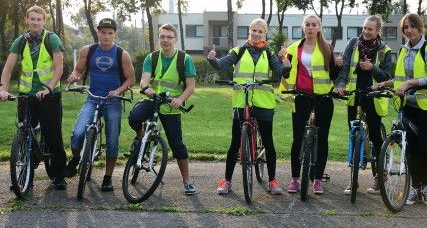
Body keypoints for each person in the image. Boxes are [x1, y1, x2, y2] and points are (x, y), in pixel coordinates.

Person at [208, 18, 291, 195]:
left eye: (260, 31)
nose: (256, 34)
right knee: (235, 143)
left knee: (268, 142)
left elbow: (280, 72)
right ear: (249, 31)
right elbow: (223, 64)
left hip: (264, 103)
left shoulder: (268, 53)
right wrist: (213, 60)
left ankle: (273, 181)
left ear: (264, 34)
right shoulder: (238, 51)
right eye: (254, 30)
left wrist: (286, 65)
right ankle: (227, 181)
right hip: (241, 102)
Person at [377, 13, 427, 206]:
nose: (408, 30)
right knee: (411, 150)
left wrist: (410, 83)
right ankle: (415, 187)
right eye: (405, 27)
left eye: (412, 26)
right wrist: (383, 84)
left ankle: (426, 187)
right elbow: (400, 79)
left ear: (419, 28)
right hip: (408, 106)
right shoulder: (404, 50)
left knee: (423, 147)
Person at [0, 6, 67, 189]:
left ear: (43, 21)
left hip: (49, 95)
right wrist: (3, 89)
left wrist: (49, 88)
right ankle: (25, 177)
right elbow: (8, 68)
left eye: (39, 19)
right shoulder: (20, 42)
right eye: (32, 19)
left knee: (52, 134)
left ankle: (59, 175)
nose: (35, 22)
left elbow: (59, 68)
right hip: (26, 95)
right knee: (24, 132)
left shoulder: (52, 39)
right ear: (27, 21)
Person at [64, 18, 135, 192]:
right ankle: (75, 159)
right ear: (98, 32)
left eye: (110, 33)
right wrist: (75, 76)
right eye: (103, 32)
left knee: (112, 138)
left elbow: (131, 79)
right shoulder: (88, 50)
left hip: (112, 100)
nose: (106, 36)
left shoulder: (121, 54)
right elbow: (79, 70)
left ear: (115, 34)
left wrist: (118, 91)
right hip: (93, 97)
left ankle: (107, 177)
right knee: (78, 132)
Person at [128, 23, 197, 195]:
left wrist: (180, 99)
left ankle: (187, 181)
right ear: (158, 38)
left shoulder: (185, 59)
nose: (165, 40)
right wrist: (146, 88)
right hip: (153, 100)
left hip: (170, 106)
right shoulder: (151, 58)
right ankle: (140, 137)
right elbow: (144, 80)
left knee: (177, 145)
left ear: (176, 39)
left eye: (169, 37)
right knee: (134, 117)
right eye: (162, 37)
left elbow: (190, 86)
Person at [279, 14, 341, 195]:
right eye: (308, 24)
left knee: (322, 140)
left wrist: (338, 65)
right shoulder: (293, 48)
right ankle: (295, 179)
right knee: (298, 138)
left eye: (314, 25)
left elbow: (333, 76)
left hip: (323, 99)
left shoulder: (326, 48)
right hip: (302, 97)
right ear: (303, 27)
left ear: (319, 28)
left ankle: (318, 180)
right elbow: (284, 71)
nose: (311, 28)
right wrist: (283, 61)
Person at [335, 14, 392, 195]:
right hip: (355, 95)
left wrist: (372, 67)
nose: (366, 32)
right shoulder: (353, 43)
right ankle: (354, 180)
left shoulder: (384, 50)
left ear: (377, 31)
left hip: (374, 97)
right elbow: (344, 67)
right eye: (364, 28)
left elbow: (387, 76)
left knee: (375, 137)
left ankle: (380, 176)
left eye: (370, 29)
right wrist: (342, 84)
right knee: (354, 137)